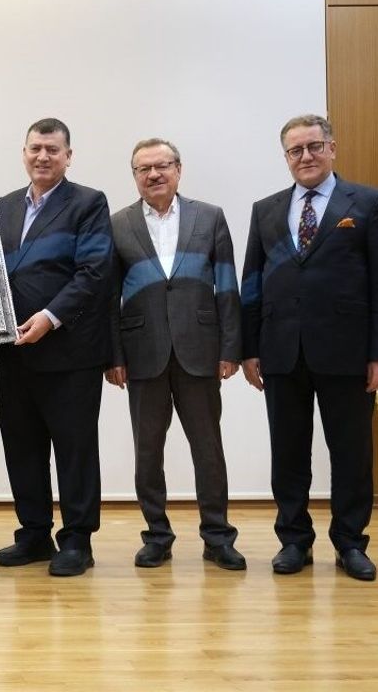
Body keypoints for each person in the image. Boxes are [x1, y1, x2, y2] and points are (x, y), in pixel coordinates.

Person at [240, 114, 378, 581]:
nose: (305, 156)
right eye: (295, 150)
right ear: (286, 157)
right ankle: (294, 541)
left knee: (351, 454)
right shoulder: (266, 209)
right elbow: (252, 284)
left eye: (313, 146)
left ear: (332, 148)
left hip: (348, 353)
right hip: (281, 351)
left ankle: (350, 543)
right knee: (288, 453)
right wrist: (250, 348)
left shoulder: (368, 203)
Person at [105, 138, 245, 571]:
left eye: (162, 166)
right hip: (141, 354)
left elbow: (227, 285)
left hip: (199, 350)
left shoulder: (210, 216)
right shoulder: (117, 224)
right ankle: (157, 536)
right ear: (134, 176)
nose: (154, 175)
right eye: (143, 169)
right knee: (148, 452)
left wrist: (231, 347)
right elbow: (108, 298)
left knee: (208, 449)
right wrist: (113, 356)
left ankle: (217, 537)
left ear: (178, 169)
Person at [0, 118, 113, 577]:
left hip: (68, 351)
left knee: (75, 449)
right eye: (35, 148)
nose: (43, 156)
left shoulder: (89, 203)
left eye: (52, 150)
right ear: (24, 153)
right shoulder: (4, 206)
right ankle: (34, 533)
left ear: (68, 156)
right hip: (13, 349)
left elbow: (93, 272)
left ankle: (77, 539)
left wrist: (50, 317)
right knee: (22, 447)